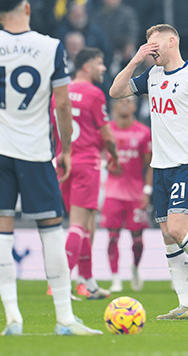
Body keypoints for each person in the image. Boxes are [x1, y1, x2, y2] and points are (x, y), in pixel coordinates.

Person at [0, 0, 101, 336]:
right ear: (28, 8)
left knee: (1, 234)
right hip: (36, 153)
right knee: (51, 232)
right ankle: (64, 319)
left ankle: (13, 318)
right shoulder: (50, 46)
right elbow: (63, 105)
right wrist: (65, 148)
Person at [110, 23, 188, 320]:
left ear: (172, 41)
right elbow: (116, 91)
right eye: (147, 46)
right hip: (160, 166)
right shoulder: (151, 74)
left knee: (177, 229)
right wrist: (136, 59)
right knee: (167, 235)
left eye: (155, 45)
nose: (152, 51)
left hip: (186, 164)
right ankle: (186, 304)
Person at [55, 48, 117, 300]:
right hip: (87, 162)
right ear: (86, 66)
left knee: (86, 224)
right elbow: (106, 134)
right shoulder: (94, 93)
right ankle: (61, 282)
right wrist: (114, 155)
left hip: (63, 161)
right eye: (100, 63)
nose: (103, 68)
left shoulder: (60, 92)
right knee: (79, 225)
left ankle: (88, 282)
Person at [100, 96, 152, 293]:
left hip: (136, 193)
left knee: (137, 238)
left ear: (135, 106)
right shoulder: (107, 131)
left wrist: (147, 191)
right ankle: (115, 278)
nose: (124, 104)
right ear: (113, 106)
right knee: (112, 236)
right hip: (113, 191)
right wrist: (106, 164)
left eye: (129, 101)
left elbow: (150, 165)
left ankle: (136, 268)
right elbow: (97, 155)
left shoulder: (143, 132)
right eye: (121, 101)